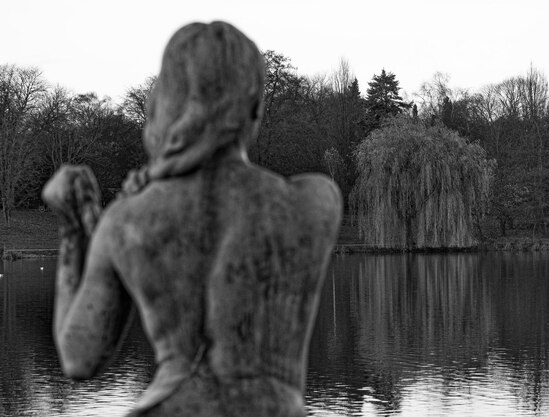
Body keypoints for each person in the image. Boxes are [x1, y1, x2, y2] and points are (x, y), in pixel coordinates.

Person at [42, 21, 341, 417]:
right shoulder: (311, 203)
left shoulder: (127, 220)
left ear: (168, 102)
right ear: (253, 107)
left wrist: (72, 229)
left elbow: (79, 358)